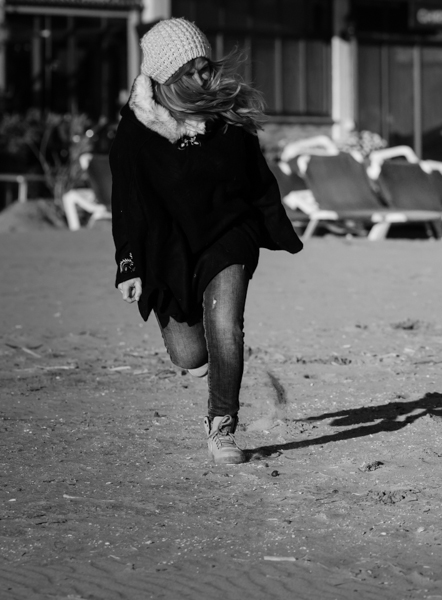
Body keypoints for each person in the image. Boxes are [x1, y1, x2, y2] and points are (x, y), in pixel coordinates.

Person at [111, 18, 303, 464]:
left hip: (227, 238)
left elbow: (257, 181)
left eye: (205, 67)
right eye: (192, 72)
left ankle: (222, 426)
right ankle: (211, 357)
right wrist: (129, 264)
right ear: (165, 79)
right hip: (168, 248)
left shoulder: (225, 121)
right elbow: (128, 203)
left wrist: (276, 231)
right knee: (189, 353)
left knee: (225, 326)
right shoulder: (136, 133)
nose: (204, 77)